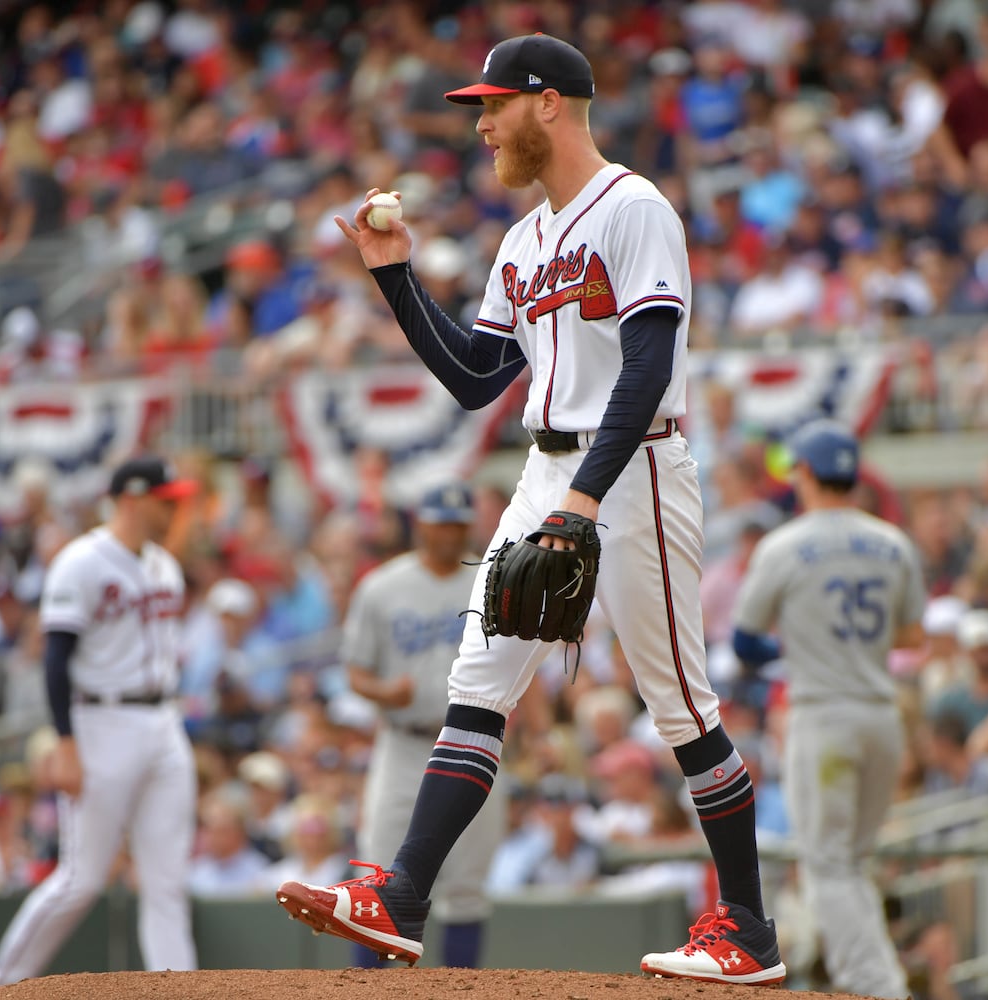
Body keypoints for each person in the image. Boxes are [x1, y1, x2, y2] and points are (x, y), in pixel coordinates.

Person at [277, 34, 783, 986]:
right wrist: (394, 275)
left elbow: (648, 363)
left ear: (548, 104)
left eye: (494, 106)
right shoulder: (523, 239)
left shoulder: (633, 208)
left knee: (680, 704)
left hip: (631, 465)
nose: (481, 126)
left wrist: (584, 499)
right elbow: (476, 378)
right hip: (546, 469)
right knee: (479, 680)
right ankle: (402, 898)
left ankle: (748, 932)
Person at [0, 457, 199, 991]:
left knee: (166, 880)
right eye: (165, 500)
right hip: (102, 721)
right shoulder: (82, 561)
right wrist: (65, 742)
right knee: (82, 878)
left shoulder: (164, 563)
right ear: (131, 499)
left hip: (163, 720)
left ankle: (182, 988)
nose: (175, 509)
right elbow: (55, 659)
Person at [731, 420, 925, 999]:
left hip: (823, 717)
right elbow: (913, 635)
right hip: (882, 716)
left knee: (828, 866)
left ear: (807, 475)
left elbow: (745, 642)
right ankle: (869, 978)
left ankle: (877, 986)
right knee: (853, 861)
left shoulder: (785, 544)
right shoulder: (894, 542)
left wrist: (800, 647)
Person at [329, 485, 504, 969]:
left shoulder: (490, 578)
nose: (447, 532)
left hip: (477, 743)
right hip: (404, 744)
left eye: (456, 522)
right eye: (438, 522)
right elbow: (354, 669)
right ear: (420, 525)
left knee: (467, 885)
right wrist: (384, 693)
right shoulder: (382, 586)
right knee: (378, 876)